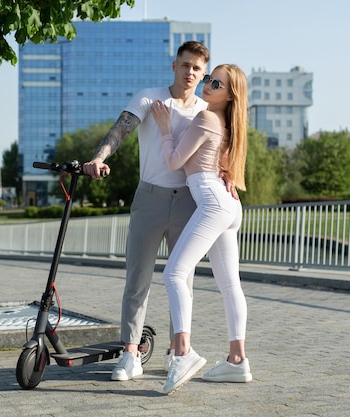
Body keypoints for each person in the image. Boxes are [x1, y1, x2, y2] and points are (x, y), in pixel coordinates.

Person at [84, 41, 226, 382]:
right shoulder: (150, 97)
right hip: (149, 198)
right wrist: (99, 158)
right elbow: (121, 129)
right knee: (138, 280)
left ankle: (179, 353)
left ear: (203, 73)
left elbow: (220, 151)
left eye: (197, 68)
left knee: (183, 281)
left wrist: (229, 178)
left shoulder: (206, 111)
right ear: (174, 65)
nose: (190, 72)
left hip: (189, 202)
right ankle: (130, 355)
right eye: (185, 65)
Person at [151, 64, 251, 394]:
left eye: (215, 82)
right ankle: (238, 361)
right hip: (227, 204)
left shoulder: (206, 118)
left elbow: (174, 161)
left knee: (174, 274)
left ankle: (183, 352)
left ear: (229, 94)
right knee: (229, 285)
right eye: (209, 79)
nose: (208, 85)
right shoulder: (227, 124)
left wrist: (165, 127)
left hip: (212, 201)